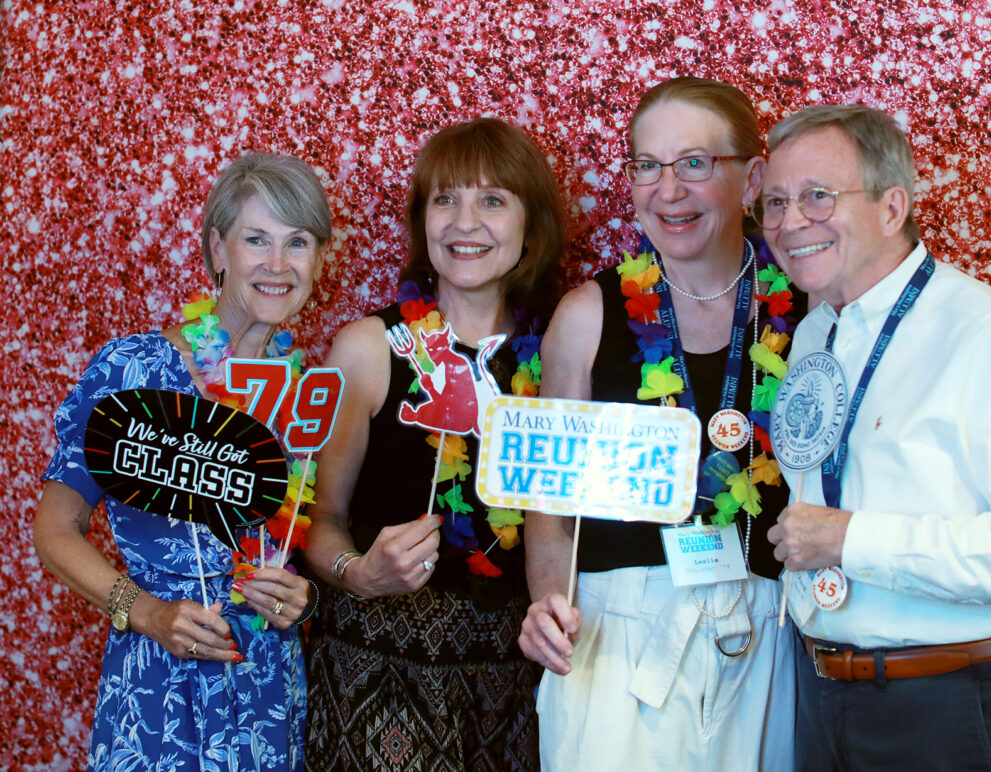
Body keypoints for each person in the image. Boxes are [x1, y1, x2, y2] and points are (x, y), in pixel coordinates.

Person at [762, 104, 991, 771]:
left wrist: (850, 539)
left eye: (817, 196)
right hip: (823, 698)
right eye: (774, 201)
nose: (789, 221)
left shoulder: (985, 335)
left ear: (892, 208)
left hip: (955, 708)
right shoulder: (811, 334)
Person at [519, 76, 800, 770]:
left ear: (751, 177)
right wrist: (549, 605)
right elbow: (550, 502)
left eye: (694, 162)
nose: (666, 189)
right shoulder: (588, 313)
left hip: (765, 626)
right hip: (615, 631)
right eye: (647, 165)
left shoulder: (807, 313)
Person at [34, 152, 332, 770]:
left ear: (318, 259)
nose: (278, 265)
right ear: (218, 250)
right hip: (156, 679)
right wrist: (145, 612)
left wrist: (296, 594)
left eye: (297, 242)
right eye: (256, 240)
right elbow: (54, 530)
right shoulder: (134, 370)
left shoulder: (306, 393)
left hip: (266, 683)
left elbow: (296, 537)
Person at [303, 117, 566, 771]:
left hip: (512, 689)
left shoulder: (561, 356)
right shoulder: (366, 350)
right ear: (423, 222)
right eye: (444, 199)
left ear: (530, 225)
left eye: (492, 200)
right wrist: (356, 573)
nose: (462, 221)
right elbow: (318, 522)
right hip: (376, 676)